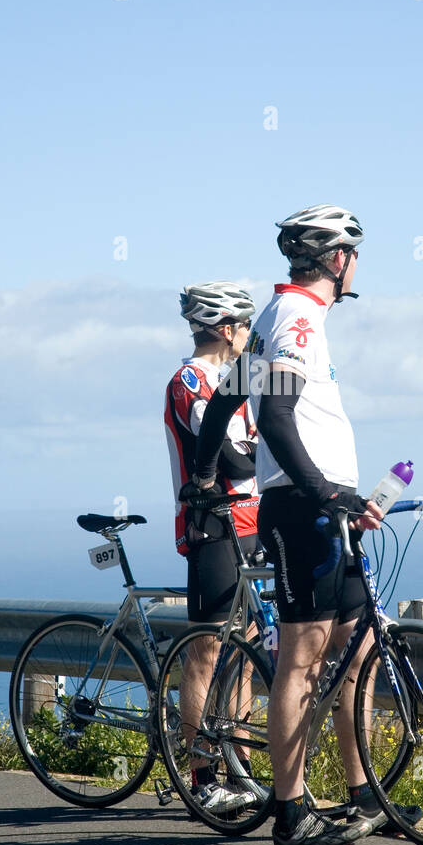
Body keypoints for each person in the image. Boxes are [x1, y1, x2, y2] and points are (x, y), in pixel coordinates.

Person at [190, 205, 404, 845]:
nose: (356, 265)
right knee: (302, 658)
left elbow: (229, 401)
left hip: (324, 509)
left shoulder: (281, 318)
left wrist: (202, 473)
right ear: (338, 260)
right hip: (306, 511)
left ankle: (366, 795)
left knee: (358, 652)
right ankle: (289, 813)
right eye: (355, 254)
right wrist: (325, 492)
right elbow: (276, 418)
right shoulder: (296, 321)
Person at [164, 281, 262, 816]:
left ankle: (240, 772)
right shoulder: (192, 381)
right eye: (244, 327)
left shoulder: (232, 382)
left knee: (244, 659)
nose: (248, 336)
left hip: (249, 524)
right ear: (227, 329)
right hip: (212, 526)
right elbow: (236, 463)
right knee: (206, 651)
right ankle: (202, 777)